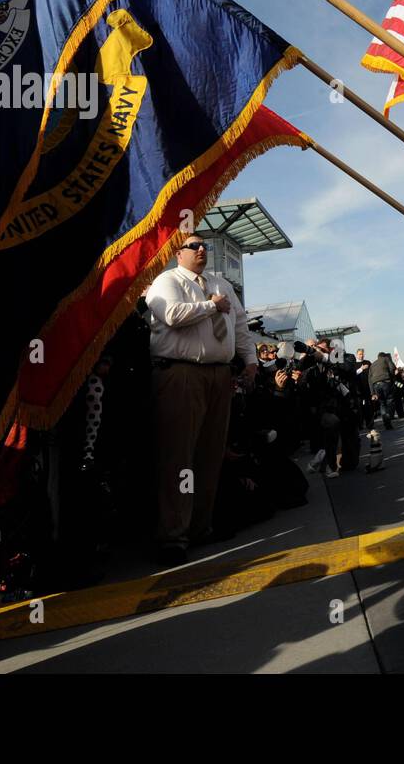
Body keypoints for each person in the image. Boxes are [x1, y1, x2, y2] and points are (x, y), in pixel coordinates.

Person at [144, 236, 257, 566]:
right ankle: (173, 535)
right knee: (179, 455)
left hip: (219, 374)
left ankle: (199, 526)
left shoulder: (221, 283)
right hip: (182, 373)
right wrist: (211, 306)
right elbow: (172, 315)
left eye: (204, 244)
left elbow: (240, 324)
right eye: (193, 246)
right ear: (178, 253)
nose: (201, 249)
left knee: (209, 453)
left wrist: (249, 361)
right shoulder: (167, 281)